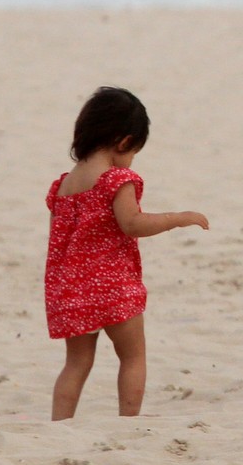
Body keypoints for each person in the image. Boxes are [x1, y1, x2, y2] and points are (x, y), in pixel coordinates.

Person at [45, 87, 209, 420]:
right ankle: (128, 421)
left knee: (76, 364)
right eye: (134, 151)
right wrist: (176, 219)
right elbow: (132, 224)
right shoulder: (117, 179)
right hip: (114, 287)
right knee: (133, 357)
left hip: (70, 290)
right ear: (123, 142)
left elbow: (60, 238)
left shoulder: (63, 185)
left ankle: (59, 424)